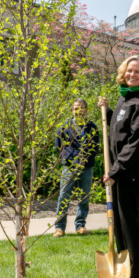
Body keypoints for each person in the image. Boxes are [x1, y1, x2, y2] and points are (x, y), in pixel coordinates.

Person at [97, 55, 139, 278]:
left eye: (137, 72)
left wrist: (115, 170)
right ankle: (127, 272)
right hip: (118, 172)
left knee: (130, 224)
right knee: (119, 225)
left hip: (129, 172)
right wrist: (108, 111)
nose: (132, 75)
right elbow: (119, 129)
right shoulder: (125, 99)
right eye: (129, 71)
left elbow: (136, 142)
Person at [53, 98, 99, 237]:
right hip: (69, 167)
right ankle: (59, 228)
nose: (78, 111)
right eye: (75, 108)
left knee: (84, 198)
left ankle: (80, 226)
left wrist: (86, 159)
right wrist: (69, 158)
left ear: (86, 110)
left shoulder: (92, 127)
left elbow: (95, 147)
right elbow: (58, 146)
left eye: (81, 108)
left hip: (86, 167)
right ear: (72, 110)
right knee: (63, 197)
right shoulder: (64, 127)